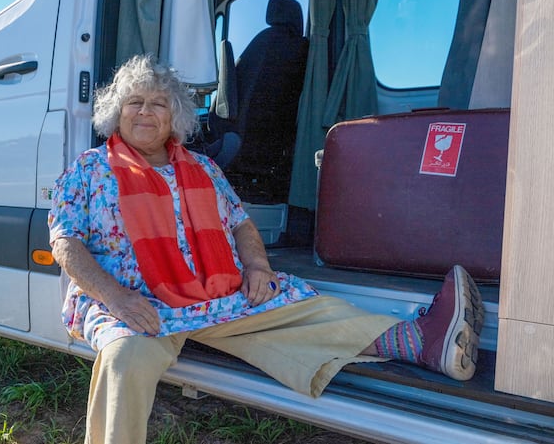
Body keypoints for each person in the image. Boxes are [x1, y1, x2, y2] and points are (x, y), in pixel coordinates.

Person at [48, 54, 484, 444]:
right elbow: (65, 242)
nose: (145, 111)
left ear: (175, 116)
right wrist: (116, 298)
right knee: (124, 358)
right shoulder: (90, 168)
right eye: (134, 102)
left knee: (298, 302)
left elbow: (240, 222)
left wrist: (257, 266)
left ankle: (417, 340)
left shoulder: (202, 167)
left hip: (213, 296)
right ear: (117, 111)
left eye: (158, 103)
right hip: (135, 303)